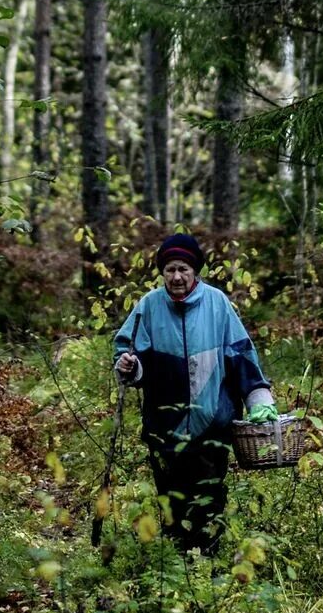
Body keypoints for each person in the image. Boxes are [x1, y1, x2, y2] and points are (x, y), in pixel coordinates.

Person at [111, 233, 277, 552]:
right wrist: (129, 366)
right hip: (164, 425)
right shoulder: (148, 306)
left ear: (195, 271)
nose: (176, 276)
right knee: (171, 499)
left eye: (183, 269)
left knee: (209, 497)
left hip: (212, 422)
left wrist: (259, 398)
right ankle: (177, 563)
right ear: (162, 272)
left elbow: (241, 354)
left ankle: (209, 563)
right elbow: (127, 351)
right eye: (170, 269)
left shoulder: (217, 303)